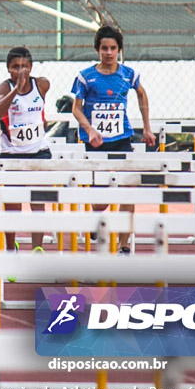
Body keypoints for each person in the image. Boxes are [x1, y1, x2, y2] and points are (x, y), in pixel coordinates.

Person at [71, 26, 156, 253]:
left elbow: (141, 93)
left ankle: (123, 244)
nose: (109, 53)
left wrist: (147, 128)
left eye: (113, 48)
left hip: (121, 138)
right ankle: (96, 216)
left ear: (119, 50)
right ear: (97, 50)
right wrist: (89, 130)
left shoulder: (128, 74)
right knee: (101, 200)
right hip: (96, 141)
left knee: (128, 189)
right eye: (104, 48)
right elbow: (76, 109)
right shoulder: (85, 77)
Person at [0, 47, 51, 252]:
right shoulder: (2, 88)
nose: (21, 71)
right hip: (12, 154)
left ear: (31, 67)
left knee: (38, 201)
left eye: (24, 66)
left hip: (38, 151)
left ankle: (37, 248)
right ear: (8, 69)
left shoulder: (41, 84)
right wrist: (15, 89)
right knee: (12, 205)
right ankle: (11, 248)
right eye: (16, 67)